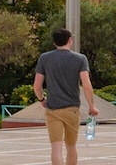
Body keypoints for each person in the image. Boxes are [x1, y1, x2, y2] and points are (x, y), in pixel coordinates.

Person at [34, 29, 98, 165]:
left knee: (56, 148)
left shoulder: (44, 58)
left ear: (54, 42)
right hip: (72, 109)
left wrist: (42, 100)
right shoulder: (80, 59)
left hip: (53, 109)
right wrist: (92, 106)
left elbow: (37, 86)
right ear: (70, 40)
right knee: (71, 146)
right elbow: (86, 85)